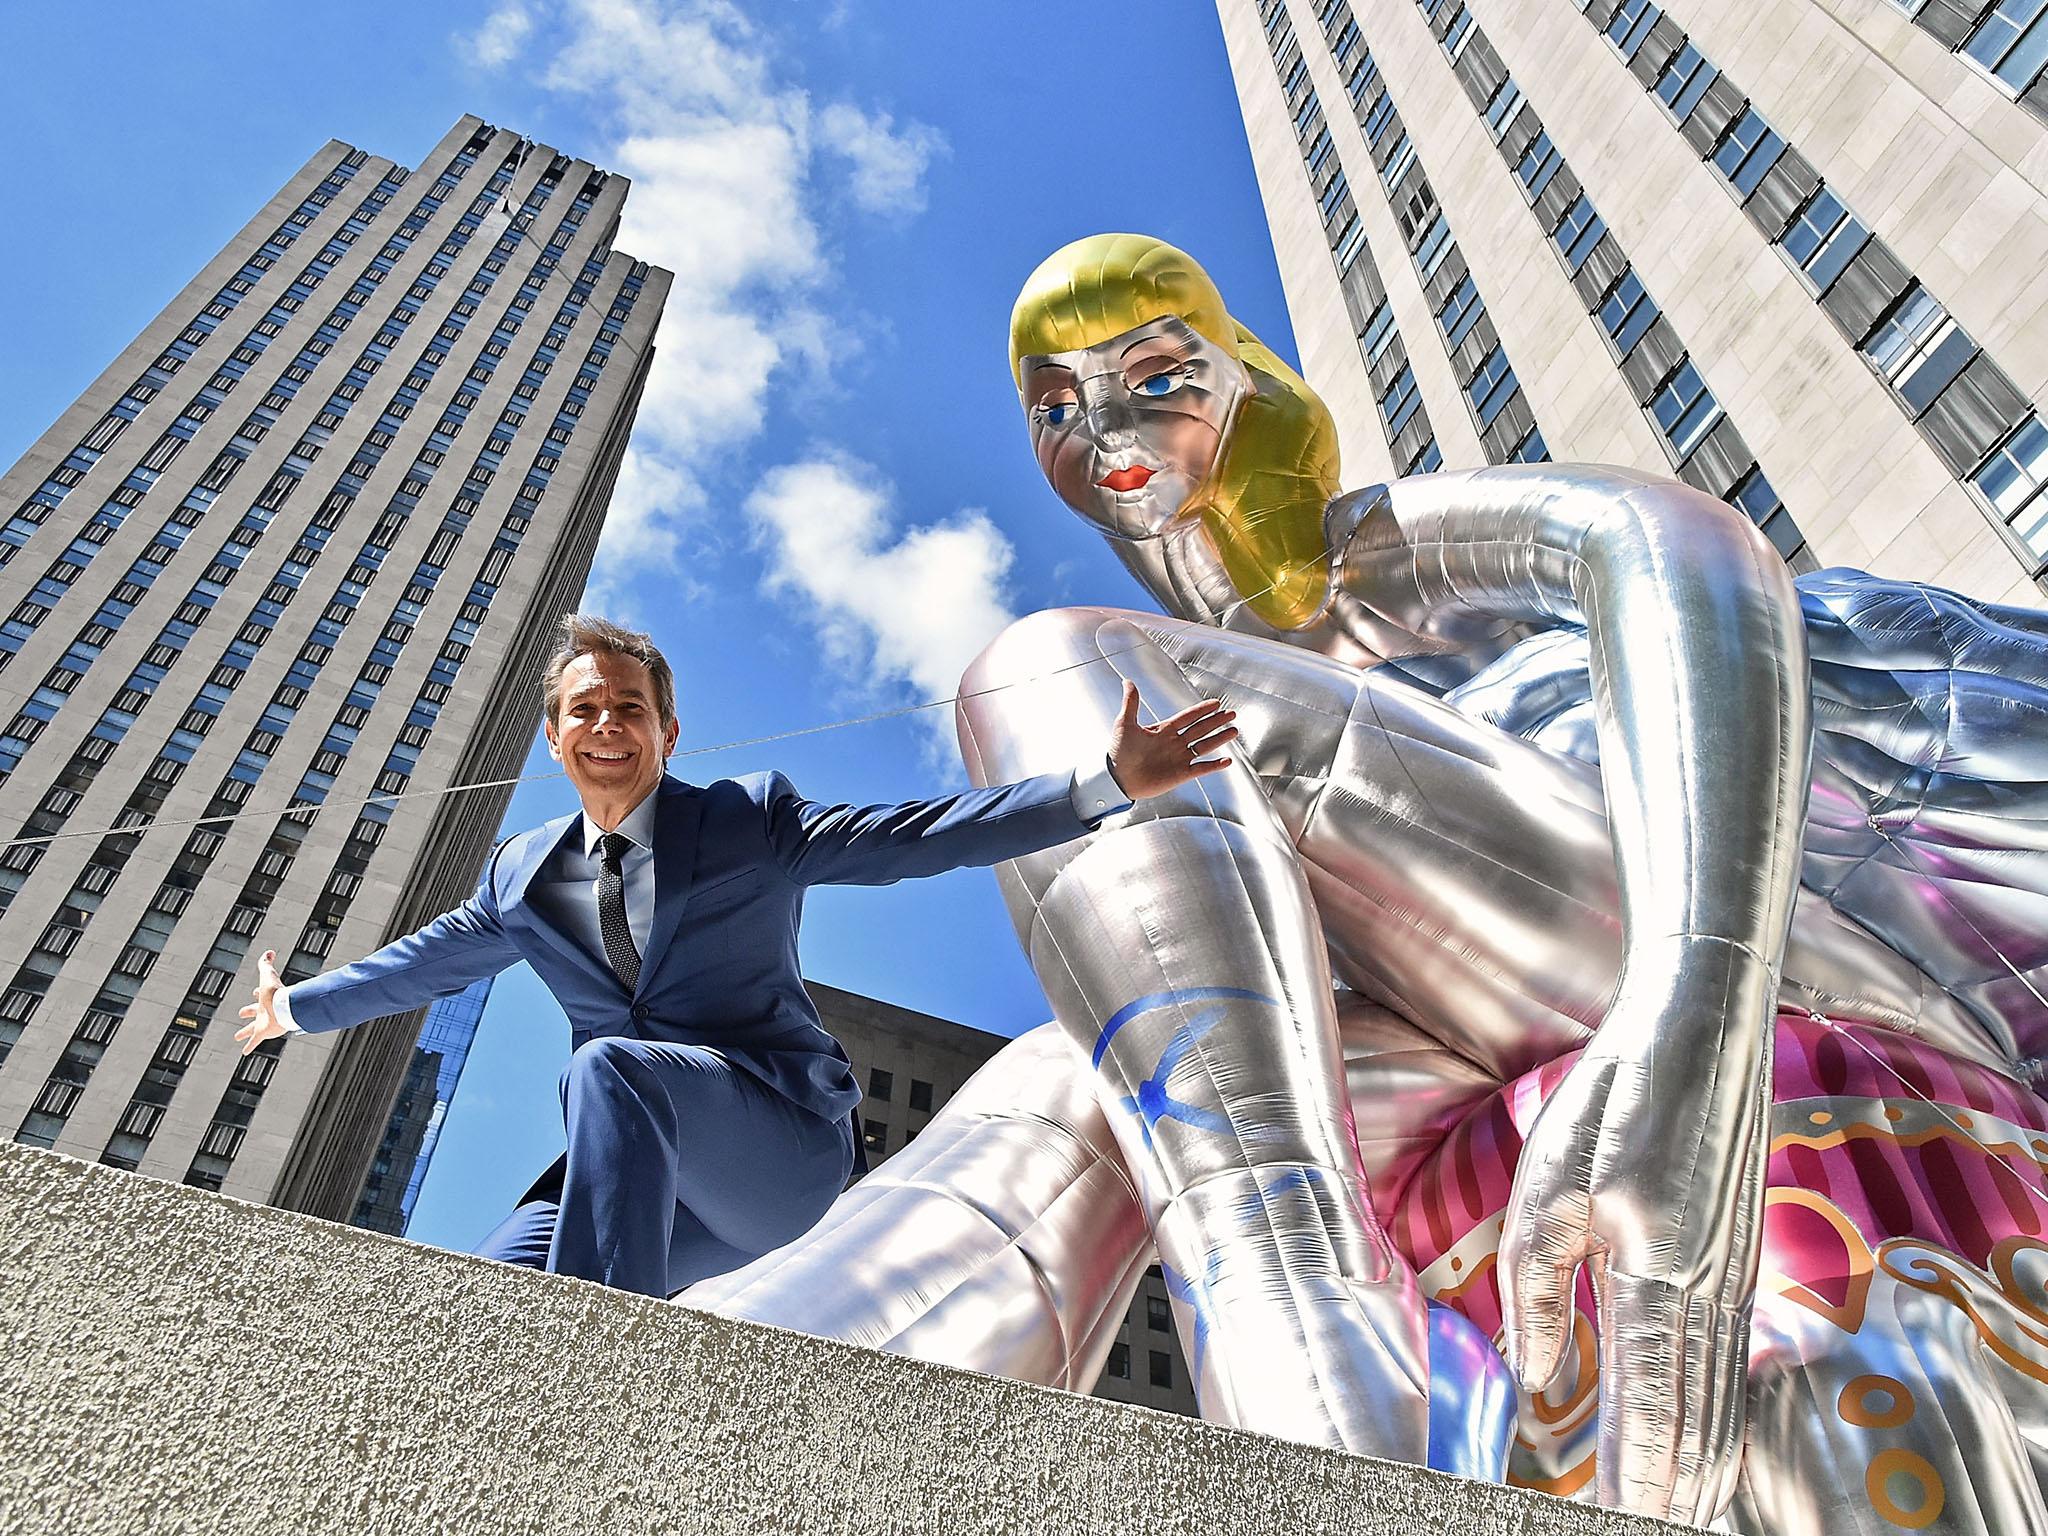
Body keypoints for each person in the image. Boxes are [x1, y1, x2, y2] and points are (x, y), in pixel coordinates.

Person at [686, 235, 2048, 1534]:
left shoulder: (1384, 557)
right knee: (1075, 1082)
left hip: (1767, 957)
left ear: (1246, 380)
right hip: (1452, 1053)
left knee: (1057, 676)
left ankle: (1295, 1307)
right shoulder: (1252, 746)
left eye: (1155, 380)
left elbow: (1683, 547)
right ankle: (702, 1412)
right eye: (1058, 411)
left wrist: (1699, 1003)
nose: (1106, 441)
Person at [235, 612, 1237, 1300]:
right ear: (554, 740)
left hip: (775, 1152)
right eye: (584, 710)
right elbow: (426, 963)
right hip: (636, 1184)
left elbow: (916, 833)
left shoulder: (746, 820)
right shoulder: (519, 876)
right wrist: (297, 1008)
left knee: (610, 1073)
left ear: (666, 732)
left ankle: (584, 1372)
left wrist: (1102, 781)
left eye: (629, 707)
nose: (607, 725)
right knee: (489, 1284)